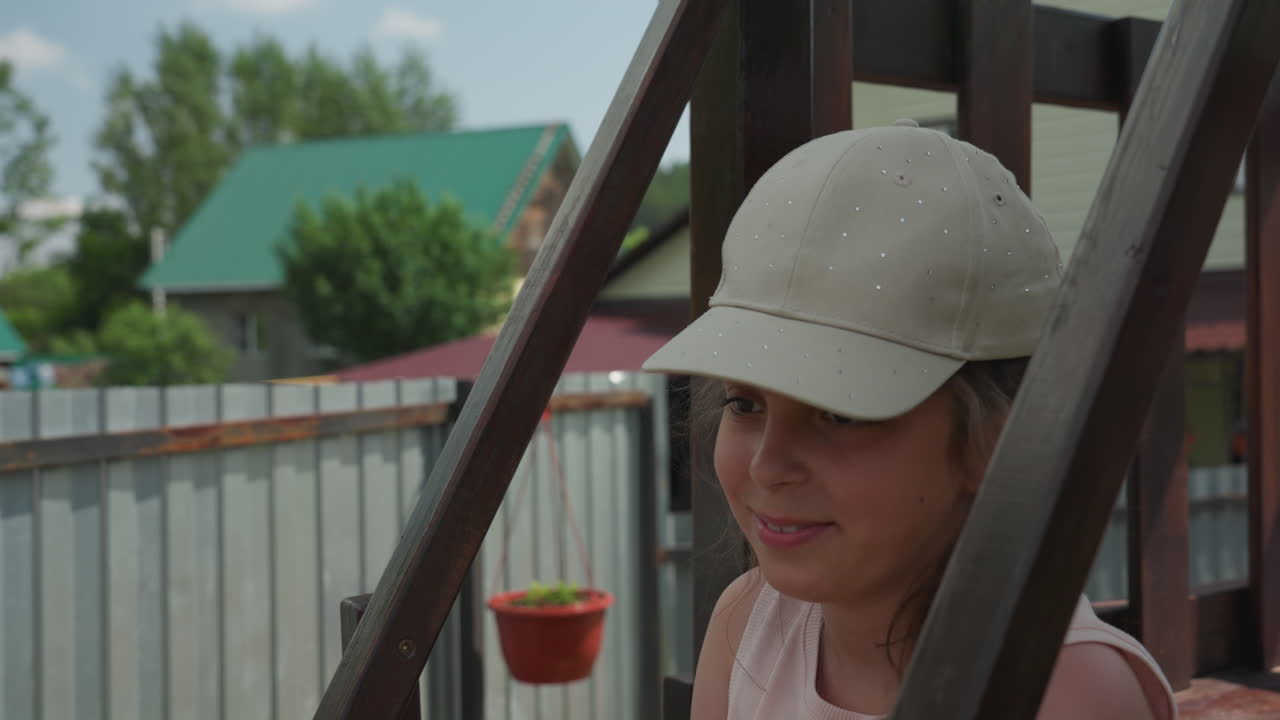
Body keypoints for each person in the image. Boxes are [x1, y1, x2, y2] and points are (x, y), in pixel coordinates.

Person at [642, 120, 1177, 719]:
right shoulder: (746, 625)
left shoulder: (1063, 695)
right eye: (745, 404)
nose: (769, 465)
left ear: (998, 439)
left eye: (839, 413)